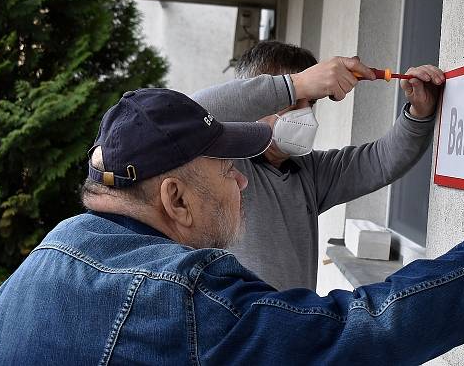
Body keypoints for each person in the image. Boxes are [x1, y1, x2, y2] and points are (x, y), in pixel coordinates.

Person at [0, 86, 464, 365]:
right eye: (227, 168)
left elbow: (379, 159)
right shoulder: (176, 295)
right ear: (175, 197)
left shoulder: (43, 262)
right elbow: (358, 334)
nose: (242, 180)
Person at [191, 41, 445, 290]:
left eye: (310, 102)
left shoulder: (308, 172)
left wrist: (419, 113)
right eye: (292, 101)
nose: (305, 113)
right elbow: (188, 114)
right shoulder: (223, 165)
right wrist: (299, 85)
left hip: (299, 326)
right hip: (240, 329)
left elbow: (381, 161)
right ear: (253, 99)